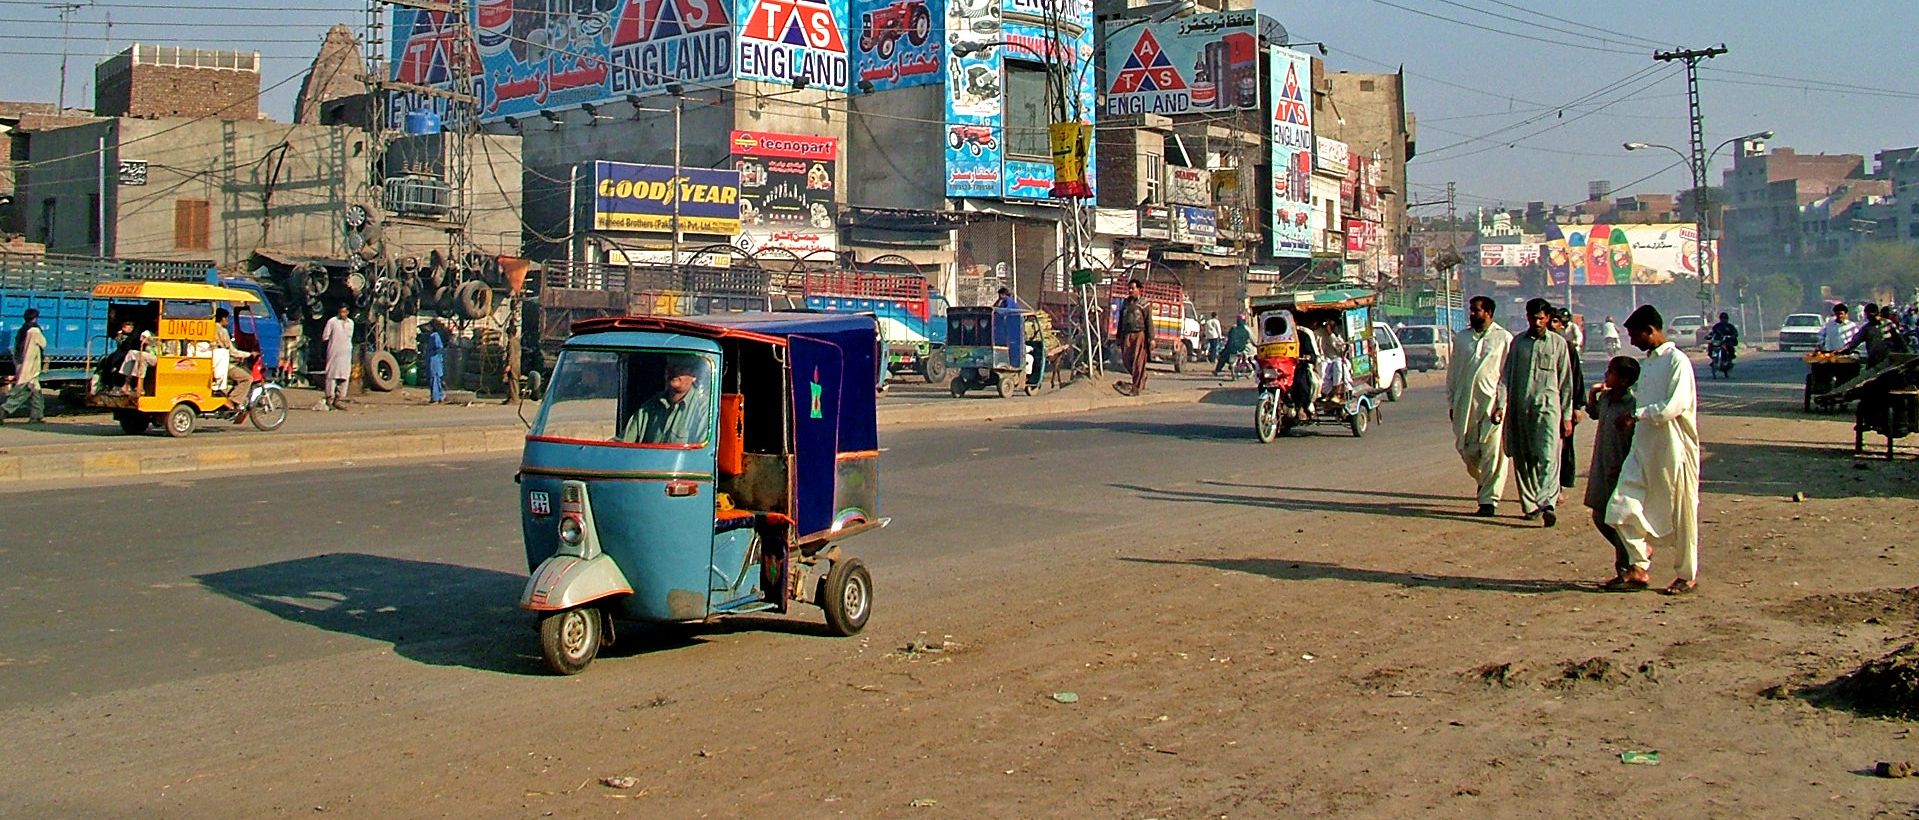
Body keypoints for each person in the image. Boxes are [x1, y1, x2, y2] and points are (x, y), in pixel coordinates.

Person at [1605, 305, 1701, 595]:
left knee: (1682, 513)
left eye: (1635, 335)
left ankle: (1687, 575)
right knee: (1620, 506)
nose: (1631, 341)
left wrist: (1638, 415)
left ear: (1651, 330)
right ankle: (1638, 566)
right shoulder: (1646, 365)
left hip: (1675, 447)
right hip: (1644, 446)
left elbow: (1674, 406)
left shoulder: (1677, 361)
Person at [1502, 298, 1575, 527]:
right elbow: (1506, 378)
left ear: (1548, 318)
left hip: (1548, 410)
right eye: (1533, 317)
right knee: (1523, 458)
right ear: (1527, 317)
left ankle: (1548, 502)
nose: (1537, 321)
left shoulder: (1558, 344)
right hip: (1520, 409)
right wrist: (1499, 406)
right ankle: (1530, 505)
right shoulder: (1518, 344)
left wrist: (1567, 416)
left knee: (1548, 455)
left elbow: (1565, 382)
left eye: (1541, 318)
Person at [1446, 296, 1513, 517]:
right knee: (1467, 451)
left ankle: (1488, 501)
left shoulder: (1503, 338)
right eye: (1471, 311)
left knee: (1494, 452)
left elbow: (1506, 375)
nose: (1472, 314)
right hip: (1465, 405)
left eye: (1476, 311)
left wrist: (1502, 404)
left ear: (1489, 313)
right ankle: (1483, 481)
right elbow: (1453, 371)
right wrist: (1452, 400)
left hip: (1492, 404)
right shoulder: (1463, 339)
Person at [1587, 356, 1642, 590]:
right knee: (1600, 515)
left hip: (1621, 468)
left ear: (1624, 379)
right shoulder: (1607, 399)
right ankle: (1633, 555)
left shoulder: (1633, 406)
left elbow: (1639, 441)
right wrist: (1593, 394)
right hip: (1602, 463)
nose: (1606, 376)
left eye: (1611, 372)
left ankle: (1627, 567)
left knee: (1618, 519)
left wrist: (1625, 466)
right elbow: (1593, 413)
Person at [621, 356, 710, 445]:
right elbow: (623, 442)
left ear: (694, 375)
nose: (674, 370)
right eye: (670, 366)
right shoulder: (650, 406)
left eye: (681, 367)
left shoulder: (704, 409)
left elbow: (700, 453)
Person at [1551, 308, 1587, 493]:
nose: (1553, 325)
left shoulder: (1567, 347)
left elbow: (1575, 378)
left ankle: (1558, 486)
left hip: (1564, 405)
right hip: (1540, 405)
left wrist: (1577, 406)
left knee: (1563, 447)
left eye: (1557, 321)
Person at [1, 308, 47, 423]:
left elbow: (16, 349)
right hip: (31, 366)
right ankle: (3, 411)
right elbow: (43, 343)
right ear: (35, 318)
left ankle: (37, 415)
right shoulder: (35, 331)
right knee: (23, 391)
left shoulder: (22, 330)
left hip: (22, 363)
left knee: (36, 390)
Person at [213, 308, 255, 424]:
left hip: (213, 361)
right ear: (223, 318)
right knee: (247, 378)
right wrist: (248, 355)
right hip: (222, 364)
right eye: (227, 318)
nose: (228, 321)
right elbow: (232, 351)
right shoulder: (222, 331)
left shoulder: (210, 328)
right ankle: (233, 401)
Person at [1114, 279, 1152, 396]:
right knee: (1126, 360)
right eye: (1129, 288)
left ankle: (1135, 388)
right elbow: (1121, 321)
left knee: (1137, 361)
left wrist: (1151, 338)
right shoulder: (1125, 303)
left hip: (1139, 334)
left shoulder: (1144, 303)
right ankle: (1142, 376)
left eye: (1132, 288)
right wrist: (1118, 336)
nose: (1130, 290)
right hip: (1127, 334)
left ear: (1139, 289)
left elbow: (1149, 322)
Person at [321, 304, 355, 410]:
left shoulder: (351, 323)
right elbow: (325, 337)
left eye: (344, 312)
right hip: (334, 352)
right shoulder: (332, 322)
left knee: (344, 376)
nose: (342, 314)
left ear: (347, 312)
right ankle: (329, 399)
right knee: (332, 376)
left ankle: (339, 399)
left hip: (346, 353)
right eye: (340, 312)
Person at [422, 318, 449, 404]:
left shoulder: (435, 336)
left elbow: (439, 347)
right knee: (436, 379)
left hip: (434, 361)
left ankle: (435, 398)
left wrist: (433, 353)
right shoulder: (433, 335)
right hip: (434, 360)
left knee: (434, 379)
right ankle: (440, 396)